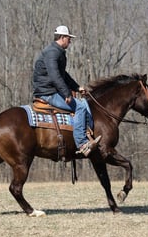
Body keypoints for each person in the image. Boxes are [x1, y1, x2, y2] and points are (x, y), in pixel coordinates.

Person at [32, 25, 101, 157]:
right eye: (69, 38)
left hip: (49, 90)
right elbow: (54, 76)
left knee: (81, 103)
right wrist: (66, 94)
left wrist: (77, 87)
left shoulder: (56, 51)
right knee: (80, 106)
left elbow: (63, 74)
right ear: (63, 38)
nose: (70, 41)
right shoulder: (53, 53)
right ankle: (82, 143)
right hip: (48, 93)